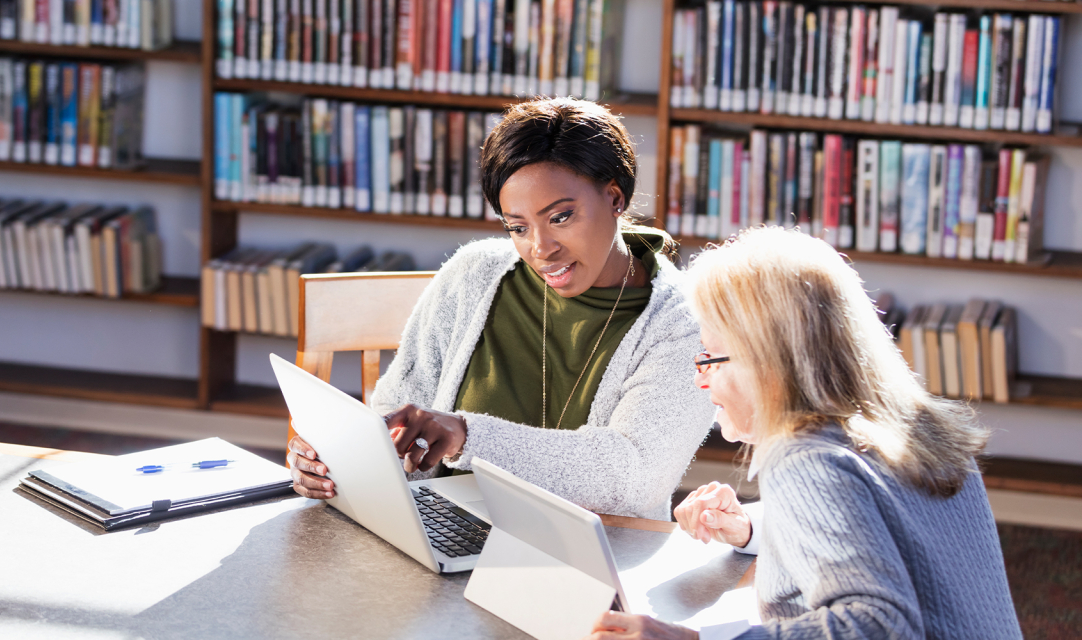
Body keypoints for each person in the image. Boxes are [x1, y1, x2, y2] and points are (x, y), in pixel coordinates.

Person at [286, 97, 716, 519]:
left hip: (590, 563)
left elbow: (636, 477)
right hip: (442, 534)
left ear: (615, 198)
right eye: (517, 226)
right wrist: (335, 464)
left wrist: (465, 435)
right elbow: (396, 415)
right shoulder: (472, 274)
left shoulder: (686, 323)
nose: (541, 248)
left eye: (561, 217)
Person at [587, 227, 1021, 639]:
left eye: (710, 357)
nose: (700, 380)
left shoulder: (807, 460)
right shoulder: (914, 427)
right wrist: (754, 527)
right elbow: (883, 528)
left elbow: (879, 627)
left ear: (768, 364)